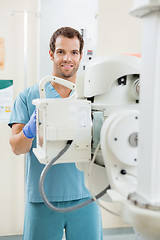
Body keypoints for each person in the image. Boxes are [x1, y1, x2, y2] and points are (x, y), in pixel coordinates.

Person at [8, 27, 103, 240]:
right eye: (61, 52)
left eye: (74, 52)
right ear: (51, 54)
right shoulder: (29, 96)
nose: (67, 58)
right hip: (42, 197)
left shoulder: (92, 96)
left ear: (81, 55)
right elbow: (16, 147)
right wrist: (30, 130)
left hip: (85, 196)